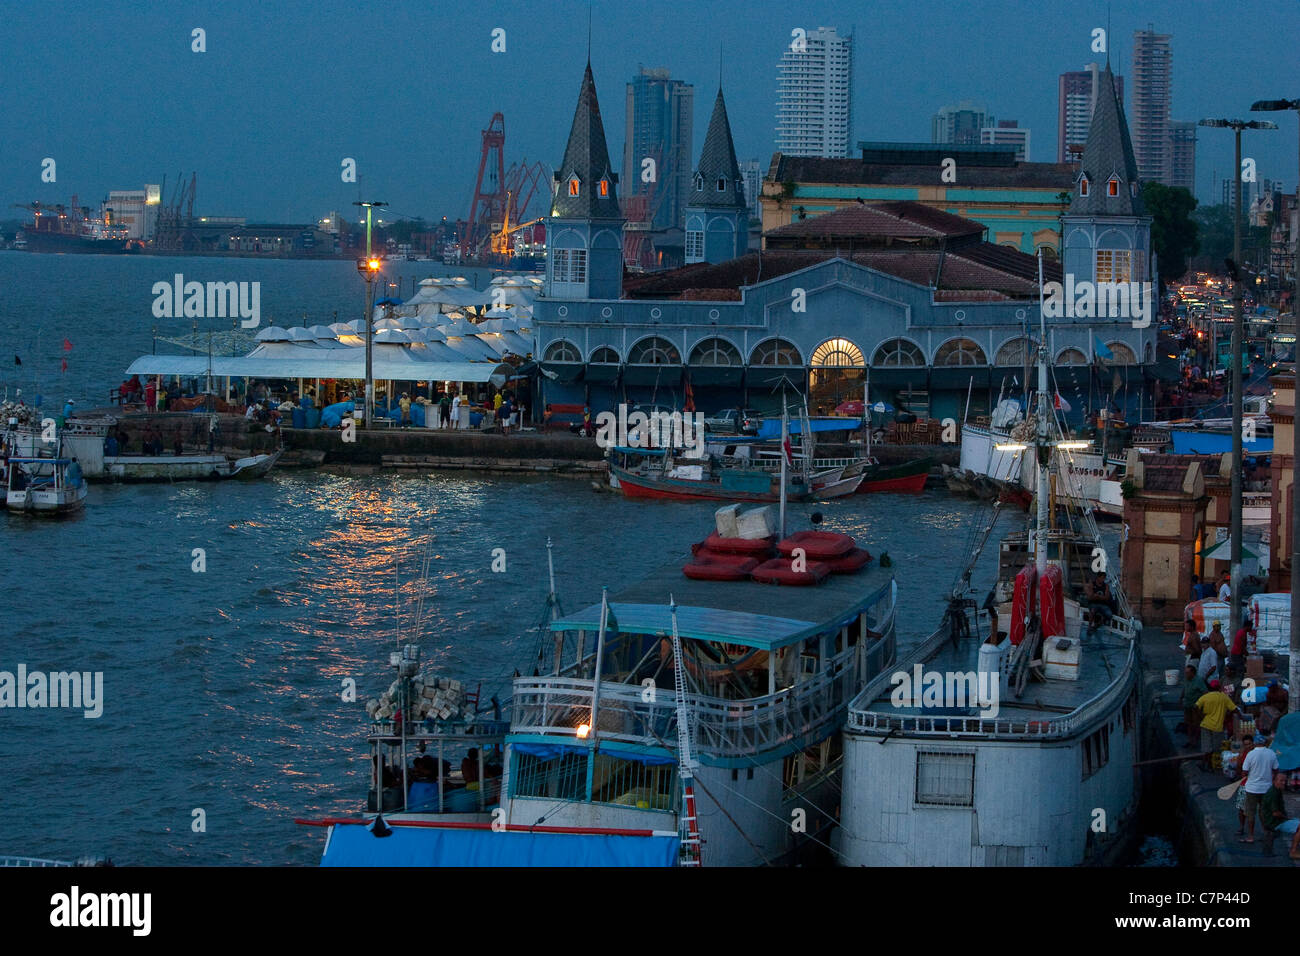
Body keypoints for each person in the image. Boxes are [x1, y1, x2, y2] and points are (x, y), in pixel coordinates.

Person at [1238, 736, 1279, 843]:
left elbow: (1244, 772)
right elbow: (1276, 770)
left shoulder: (1250, 754)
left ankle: (1251, 836)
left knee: (1250, 813)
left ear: (1255, 743)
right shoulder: (1271, 753)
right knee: (1264, 811)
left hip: (1252, 788)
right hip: (1266, 788)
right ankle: (1266, 833)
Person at [1259, 769, 1300, 859]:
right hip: (1275, 822)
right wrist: (1287, 818)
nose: (1283, 783)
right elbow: (1275, 813)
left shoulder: (1276, 790)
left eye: (1284, 780)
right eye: (1281, 780)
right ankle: (1293, 851)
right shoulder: (1273, 793)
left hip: (1277, 820)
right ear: (1274, 781)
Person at [1195, 679, 1237, 767]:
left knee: (1206, 747)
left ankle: (1205, 763)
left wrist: (1201, 716)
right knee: (1215, 747)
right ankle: (1210, 764)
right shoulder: (1224, 697)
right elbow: (1234, 709)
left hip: (1206, 724)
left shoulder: (1206, 696)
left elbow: (1196, 706)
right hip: (1218, 726)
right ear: (1219, 687)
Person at [1182, 664, 1210, 750]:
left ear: (1193, 673)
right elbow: (1184, 689)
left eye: (1187, 673)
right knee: (1188, 723)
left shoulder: (1199, 681)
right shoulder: (1186, 680)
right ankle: (1190, 740)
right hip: (1187, 705)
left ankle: (1195, 740)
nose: (1186, 674)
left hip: (1196, 706)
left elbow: (1205, 692)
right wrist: (1181, 698)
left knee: (1196, 723)